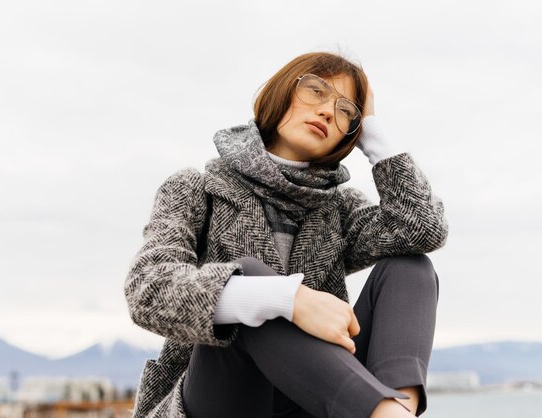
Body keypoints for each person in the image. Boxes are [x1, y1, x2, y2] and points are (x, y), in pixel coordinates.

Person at [124, 52, 448, 418]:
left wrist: (372, 131)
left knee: (410, 266)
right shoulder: (196, 189)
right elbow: (147, 288)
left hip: (313, 399)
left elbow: (422, 227)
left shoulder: (336, 210)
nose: (328, 111)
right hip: (218, 398)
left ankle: (395, 410)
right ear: (282, 93)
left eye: (346, 112)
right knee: (246, 279)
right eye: (316, 91)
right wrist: (287, 299)